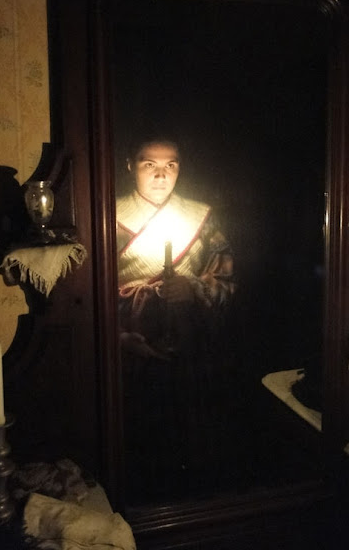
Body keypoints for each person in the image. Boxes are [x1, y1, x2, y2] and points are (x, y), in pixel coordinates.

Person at [116, 137, 235, 501]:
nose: (161, 175)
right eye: (149, 164)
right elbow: (86, 286)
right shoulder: (107, 214)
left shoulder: (202, 216)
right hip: (128, 348)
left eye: (170, 165)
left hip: (189, 347)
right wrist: (118, 335)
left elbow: (226, 280)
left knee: (189, 434)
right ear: (130, 165)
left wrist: (193, 288)